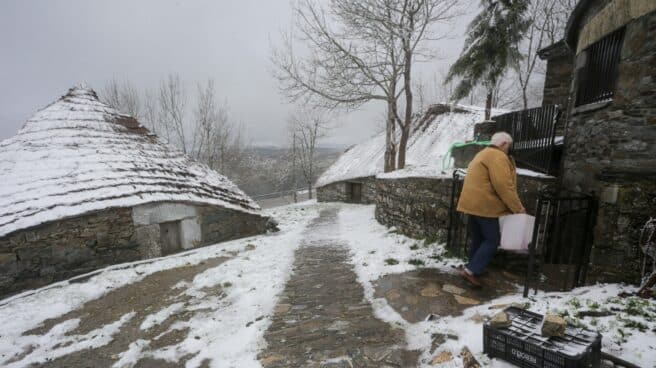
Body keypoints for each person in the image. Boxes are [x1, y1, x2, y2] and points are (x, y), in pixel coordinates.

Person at [456, 132, 525, 287]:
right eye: (509, 146)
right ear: (503, 144)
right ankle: (471, 271)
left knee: (479, 239)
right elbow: (504, 186)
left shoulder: (483, 153)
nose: (509, 150)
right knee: (492, 240)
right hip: (485, 206)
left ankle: (473, 267)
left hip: (472, 204)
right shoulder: (498, 156)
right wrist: (518, 208)